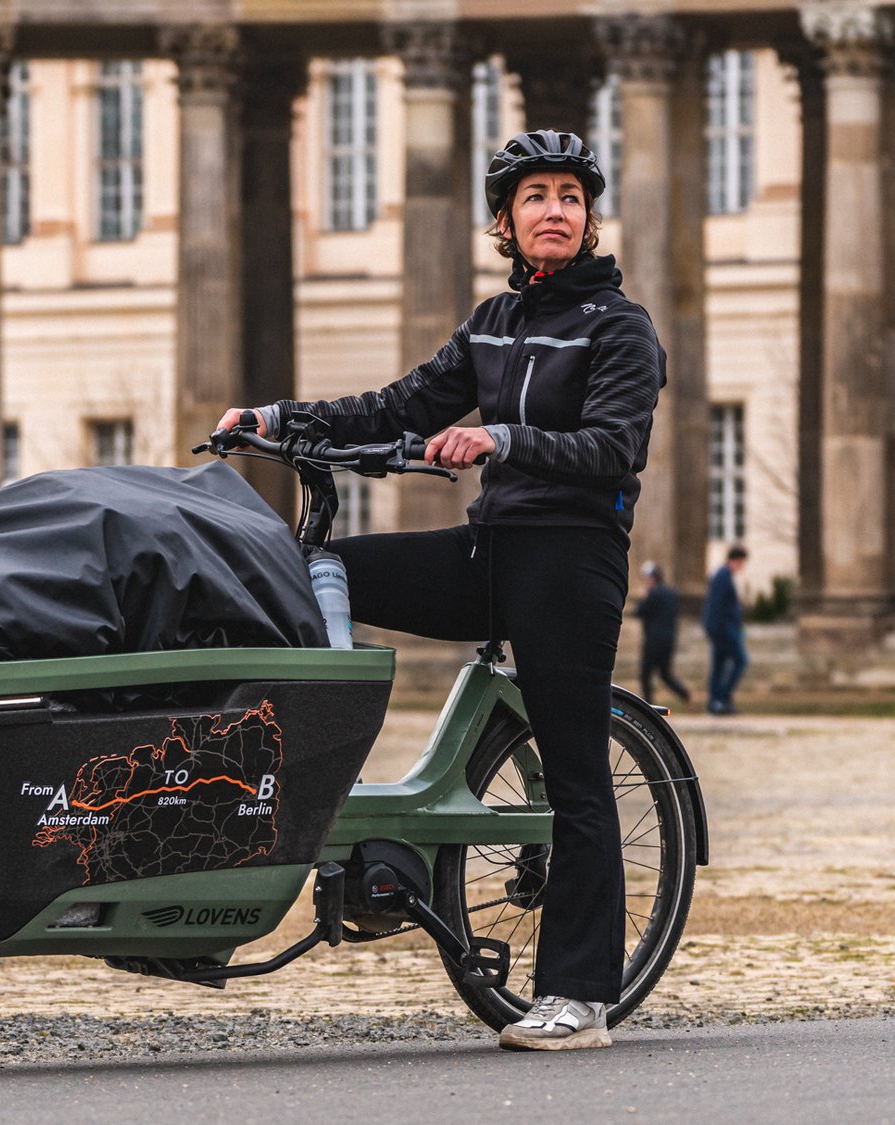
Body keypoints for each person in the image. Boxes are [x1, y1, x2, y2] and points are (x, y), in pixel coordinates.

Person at [218, 129, 664, 1052]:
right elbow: (399, 407)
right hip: (490, 547)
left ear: (588, 221)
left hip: (571, 558)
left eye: (571, 198)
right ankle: (322, 790)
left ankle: (581, 997)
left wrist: (505, 442)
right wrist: (277, 419)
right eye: (536, 197)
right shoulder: (492, 324)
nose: (556, 211)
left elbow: (612, 447)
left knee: (577, 771)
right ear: (505, 220)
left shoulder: (619, 327)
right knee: (320, 566)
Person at [701, 545, 749, 715]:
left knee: (719, 665)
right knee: (741, 660)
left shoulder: (723, 575)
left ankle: (716, 701)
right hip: (723, 628)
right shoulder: (723, 576)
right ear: (737, 560)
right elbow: (717, 605)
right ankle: (722, 697)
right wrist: (717, 629)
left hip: (721, 627)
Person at [634, 562, 690, 706]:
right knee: (665, 674)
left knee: (645, 675)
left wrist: (643, 596)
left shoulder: (653, 593)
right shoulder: (671, 593)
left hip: (653, 640)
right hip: (669, 640)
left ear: (652, 578)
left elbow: (639, 611)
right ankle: (685, 694)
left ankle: (648, 706)